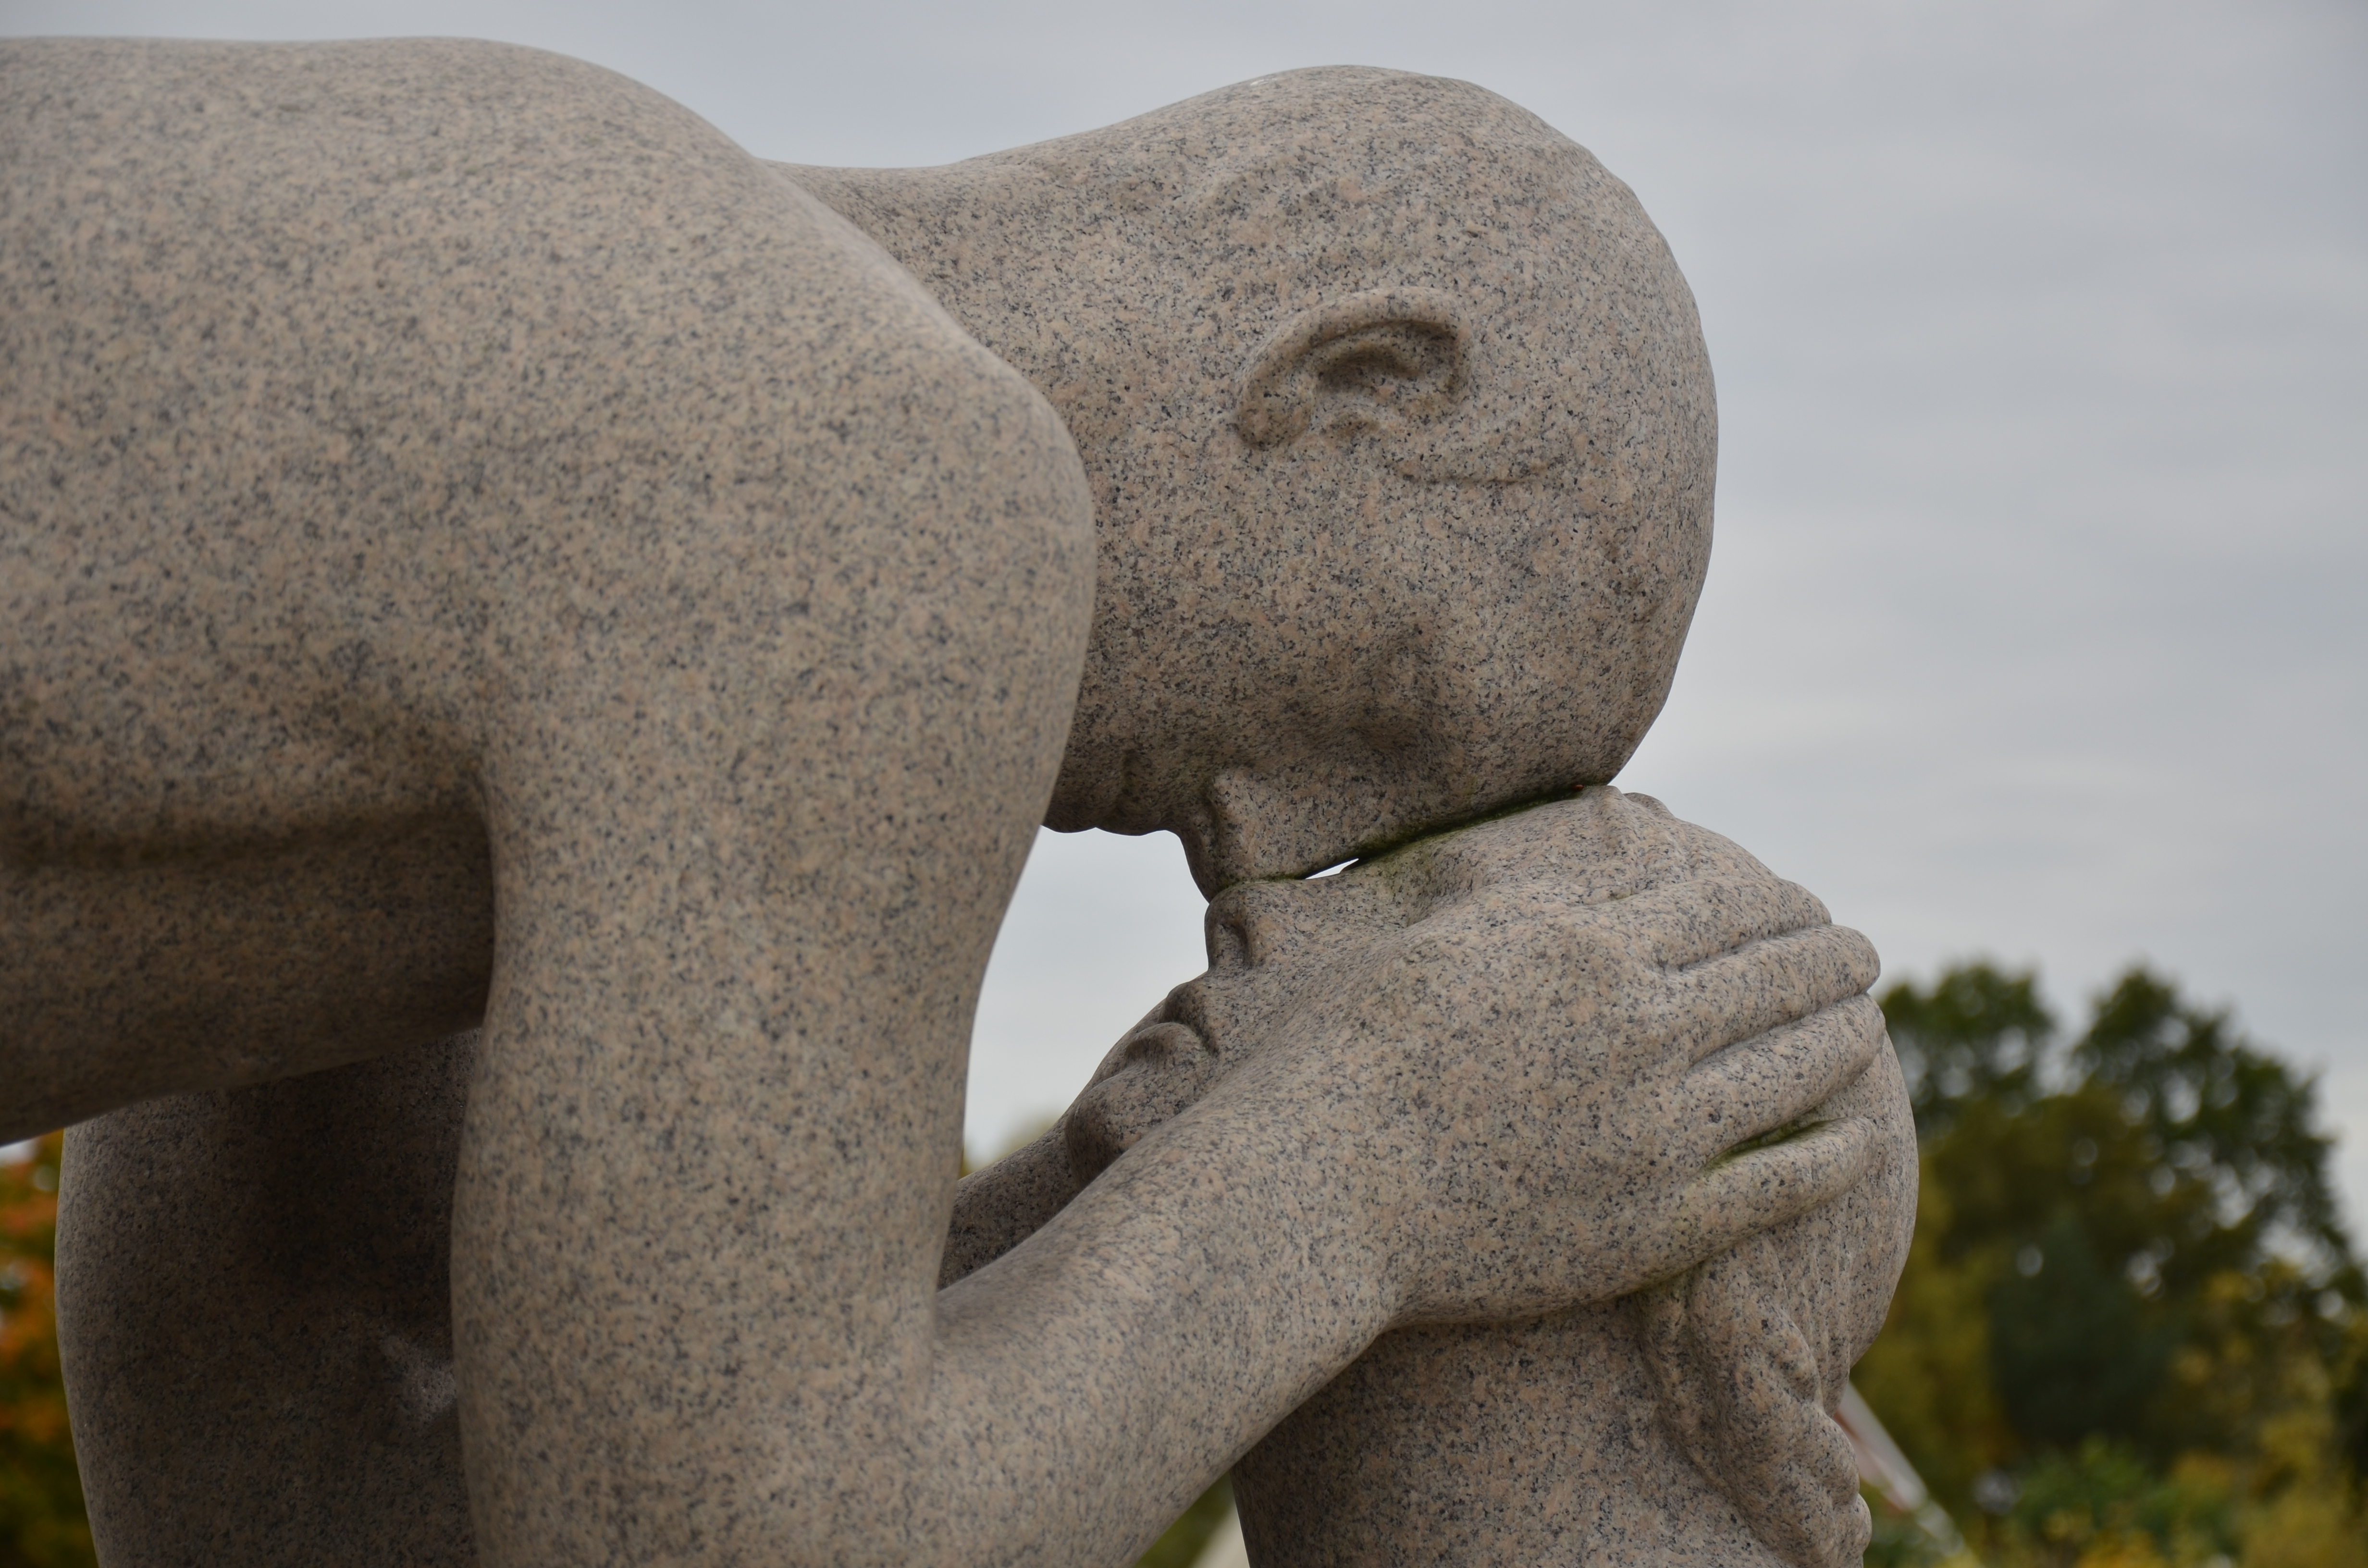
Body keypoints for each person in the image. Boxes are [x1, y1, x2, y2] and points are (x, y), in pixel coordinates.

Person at [5, 40, 1887, 1565]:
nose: (1252, 859)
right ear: (1359, 380)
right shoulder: (867, 471)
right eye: (1384, 732)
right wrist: (1379, 1152)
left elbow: (305, 1508)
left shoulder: (575, 327)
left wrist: (1130, 1195)